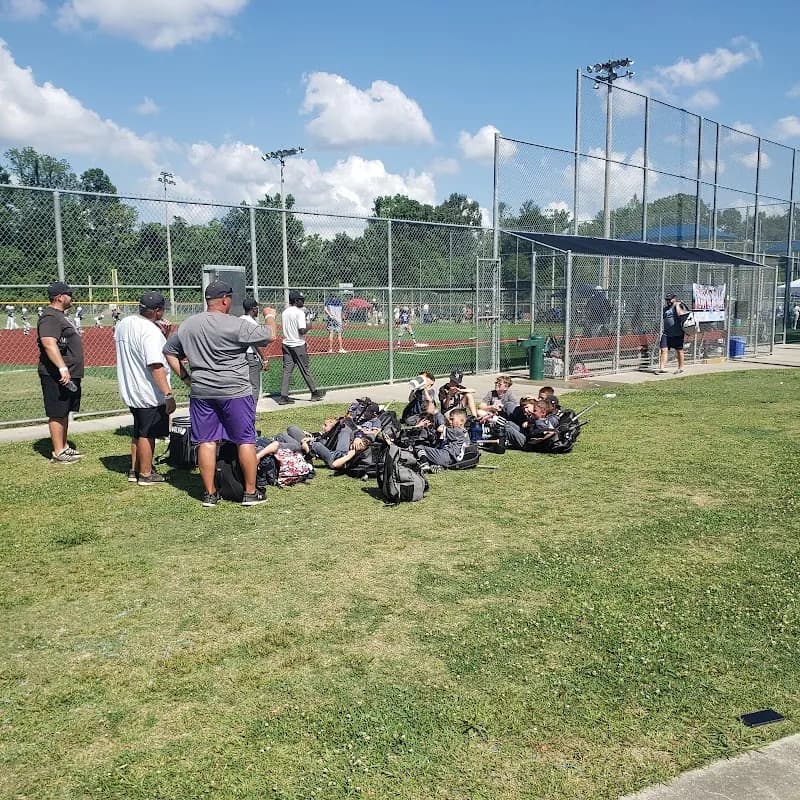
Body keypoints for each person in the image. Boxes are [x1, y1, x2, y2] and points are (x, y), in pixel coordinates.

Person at [163, 279, 277, 507]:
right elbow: (270, 335)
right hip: (235, 391)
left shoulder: (188, 324)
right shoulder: (235, 324)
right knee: (245, 439)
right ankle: (250, 493)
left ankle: (209, 494)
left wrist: (186, 377)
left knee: (206, 441)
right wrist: (270, 315)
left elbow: (169, 351)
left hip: (202, 391)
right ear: (225, 300)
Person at [114, 291, 176, 485]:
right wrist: (168, 395)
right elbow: (155, 365)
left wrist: (162, 335)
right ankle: (147, 474)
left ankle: (135, 469)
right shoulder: (151, 332)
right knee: (147, 434)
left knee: (138, 431)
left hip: (131, 388)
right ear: (157, 311)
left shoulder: (125, 323)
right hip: (148, 391)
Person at [37, 281, 84, 464]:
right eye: (69, 294)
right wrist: (62, 367)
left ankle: (63, 446)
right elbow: (49, 342)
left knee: (64, 410)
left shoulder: (60, 316)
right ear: (60, 297)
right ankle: (58, 452)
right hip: (55, 374)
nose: (71, 297)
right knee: (57, 411)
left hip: (68, 373)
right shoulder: (50, 317)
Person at [277, 290, 325, 405]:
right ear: (295, 301)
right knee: (305, 369)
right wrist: (309, 326)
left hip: (287, 343)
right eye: (301, 300)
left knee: (287, 371)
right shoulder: (299, 313)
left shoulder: (285, 312)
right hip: (298, 344)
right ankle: (314, 393)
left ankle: (283, 396)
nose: (303, 301)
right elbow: (302, 331)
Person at [414, 408, 471, 472]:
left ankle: (425, 464)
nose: (449, 421)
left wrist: (423, 426)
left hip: (447, 456)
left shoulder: (457, 431)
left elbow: (440, 429)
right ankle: (439, 466)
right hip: (452, 459)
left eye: (452, 419)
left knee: (419, 446)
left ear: (462, 421)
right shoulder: (464, 432)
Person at [240, 297, 271, 403]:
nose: (258, 310)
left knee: (243, 386)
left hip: (240, 356)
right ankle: (251, 412)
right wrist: (264, 359)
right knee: (254, 386)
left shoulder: (239, 319)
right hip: (250, 355)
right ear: (253, 309)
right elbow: (257, 343)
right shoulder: (252, 323)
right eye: (257, 308)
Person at [658, 293, 690, 374]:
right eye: (667, 300)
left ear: (674, 299)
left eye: (670, 299)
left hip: (677, 333)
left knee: (679, 350)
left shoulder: (678, 306)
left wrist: (677, 305)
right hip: (666, 333)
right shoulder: (665, 309)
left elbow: (680, 315)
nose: (668, 301)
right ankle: (662, 368)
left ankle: (681, 367)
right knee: (663, 349)